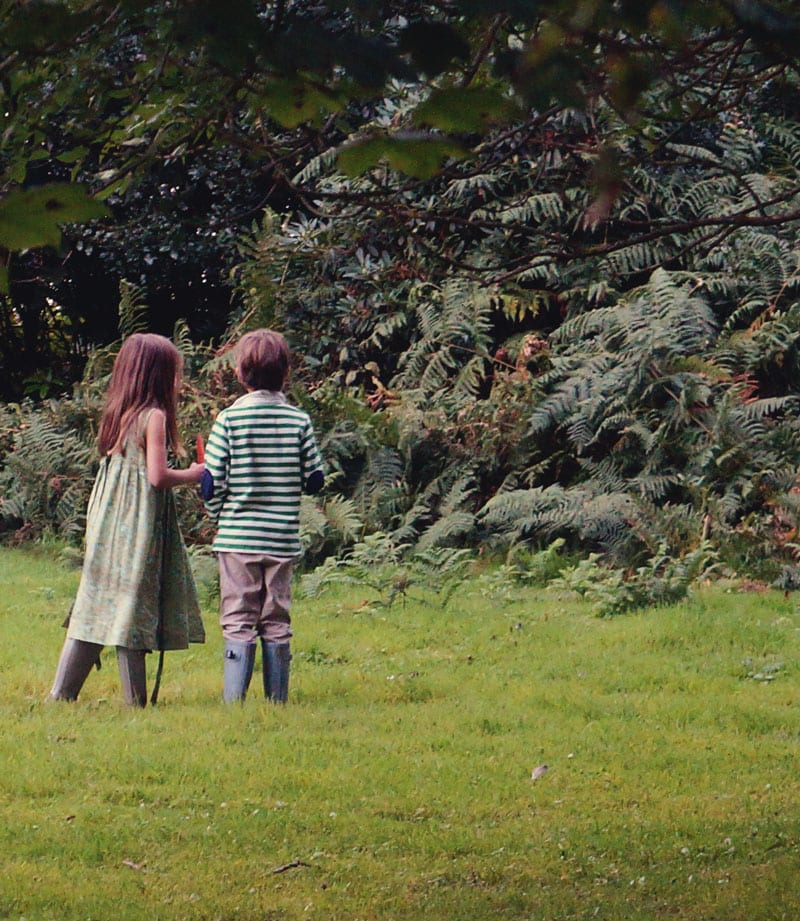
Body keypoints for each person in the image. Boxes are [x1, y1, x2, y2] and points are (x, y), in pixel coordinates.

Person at [50, 333, 206, 706]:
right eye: (174, 373)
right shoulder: (154, 416)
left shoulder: (119, 412)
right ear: (157, 375)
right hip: (137, 523)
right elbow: (157, 476)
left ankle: (61, 694)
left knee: (97, 601)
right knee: (131, 604)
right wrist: (193, 474)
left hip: (108, 521)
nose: (178, 382)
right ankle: (135, 703)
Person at [203, 329, 323, 703]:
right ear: (285, 373)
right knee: (276, 616)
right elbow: (315, 479)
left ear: (239, 372)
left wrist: (215, 513)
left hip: (237, 538)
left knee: (238, 616)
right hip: (282, 538)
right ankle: (277, 700)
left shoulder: (228, 420)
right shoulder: (299, 420)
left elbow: (211, 482)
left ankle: (234, 700)